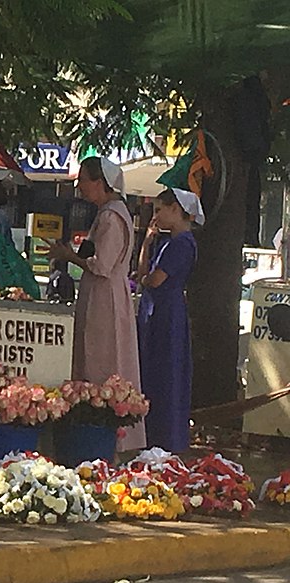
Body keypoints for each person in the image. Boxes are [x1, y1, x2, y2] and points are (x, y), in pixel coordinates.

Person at [47, 157, 145, 452]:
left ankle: (105, 432)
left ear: (100, 182)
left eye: (83, 181)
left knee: (103, 359)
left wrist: (68, 256)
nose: (79, 187)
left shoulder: (111, 217)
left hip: (106, 297)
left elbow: (101, 265)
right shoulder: (108, 213)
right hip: (100, 294)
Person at [137, 188, 203, 453]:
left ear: (176, 210)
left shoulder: (182, 243)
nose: (156, 216)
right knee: (153, 372)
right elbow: (144, 272)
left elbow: (153, 279)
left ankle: (167, 437)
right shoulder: (165, 243)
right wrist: (146, 242)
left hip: (167, 312)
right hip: (157, 309)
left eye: (160, 209)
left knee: (166, 374)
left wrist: (143, 279)